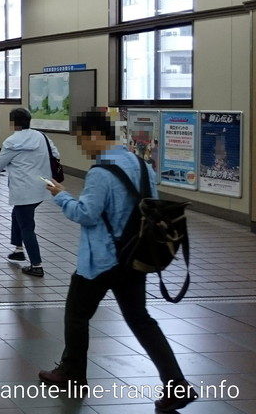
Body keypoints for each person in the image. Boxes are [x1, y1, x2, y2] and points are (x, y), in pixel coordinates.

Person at [37, 110, 196, 412]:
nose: (83, 147)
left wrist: (60, 195)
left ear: (96, 135)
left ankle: (72, 373)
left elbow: (85, 214)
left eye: (83, 140)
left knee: (76, 315)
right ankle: (177, 384)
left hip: (100, 260)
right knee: (140, 320)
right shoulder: (141, 164)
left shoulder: (101, 173)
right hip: (135, 257)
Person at [0, 108, 58, 277]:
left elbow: (1, 161)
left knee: (27, 227)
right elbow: (55, 154)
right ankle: (18, 249)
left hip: (23, 190)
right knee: (17, 214)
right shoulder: (42, 137)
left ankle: (36, 265)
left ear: (13, 123)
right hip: (41, 187)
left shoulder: (12, 141)